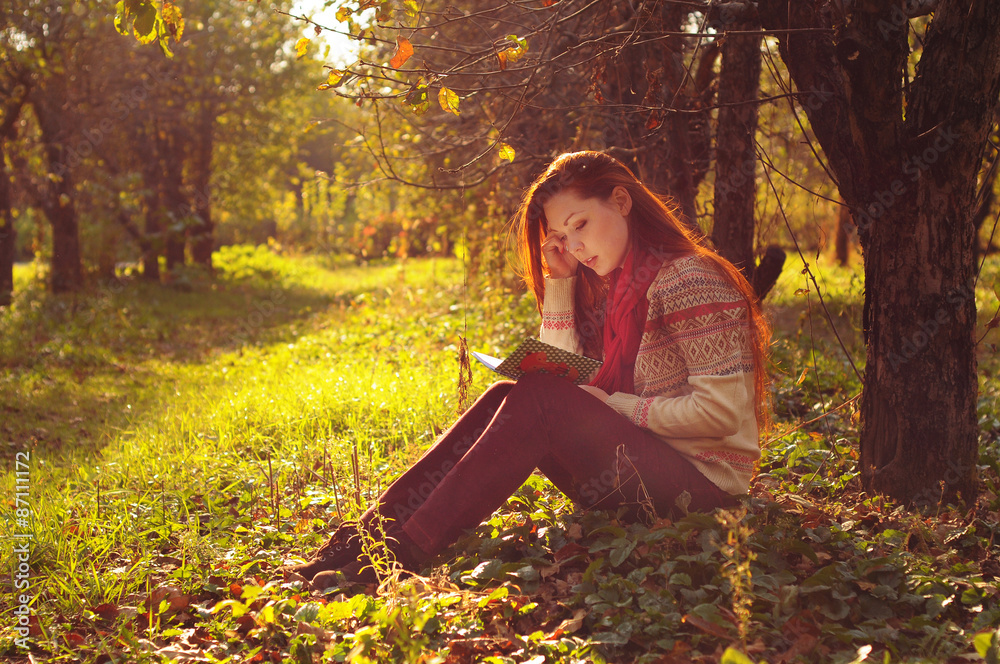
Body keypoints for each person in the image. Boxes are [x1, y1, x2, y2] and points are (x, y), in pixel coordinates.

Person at [281, 151, 771, 590]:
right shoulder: (620, 286)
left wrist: (614, 406)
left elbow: (723, 413)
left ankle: (401, 555)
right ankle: (364, 539)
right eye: (560, 236)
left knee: (536, 398)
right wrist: (559, 285)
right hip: (644, 472)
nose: (573, 246)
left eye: (579, 224)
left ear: (621, 200)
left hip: (705, 494)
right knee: (504, 395)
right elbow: (560, 379)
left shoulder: (689, 278)